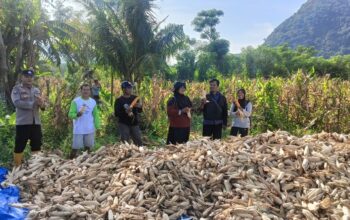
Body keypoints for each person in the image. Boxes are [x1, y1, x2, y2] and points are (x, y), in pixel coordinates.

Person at [11, 69, 46, 166]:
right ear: (22, 77)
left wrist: (42, 104)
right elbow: (17, 103)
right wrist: (33, 104)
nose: (29, 78)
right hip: (23, 123)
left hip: (36, 122)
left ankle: (35, 166)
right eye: (26, 76)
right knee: (19, 145)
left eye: (31, 77)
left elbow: (42, 106)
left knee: (36, 144)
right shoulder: (17, 89)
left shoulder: (36, 90)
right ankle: (17, 167)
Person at [68, 83, 100, 158]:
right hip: (79, 129)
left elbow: (96, 115)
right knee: (75, 148)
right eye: (84, 90)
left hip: (90, 129)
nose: (86, 91)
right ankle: (70, 161)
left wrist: (97, 126)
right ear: (81, 91)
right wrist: (77, 115)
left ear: (90, 91)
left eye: (88, 90)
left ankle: (87, 164)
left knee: (88, 148)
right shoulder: (75, 101)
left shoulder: (93, 102)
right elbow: (70, 114)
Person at [114, 81, 143, 146]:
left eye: (131, 88)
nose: (130, 89)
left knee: (138, 140)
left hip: (134, 123)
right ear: (123, 89)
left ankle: (140, 153)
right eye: (128, 88)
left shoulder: (135, 98)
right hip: (124, 123)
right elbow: (116, 113)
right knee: (125, 141)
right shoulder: (119, 100)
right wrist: (125, 112)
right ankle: (126, 154)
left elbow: (139, 111)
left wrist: (140, 107)